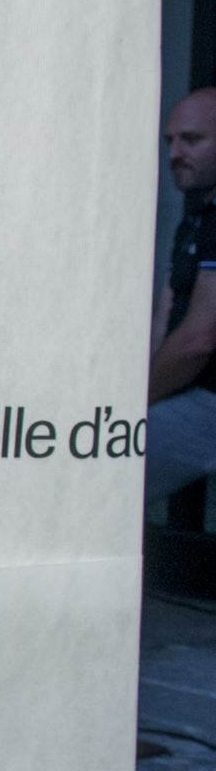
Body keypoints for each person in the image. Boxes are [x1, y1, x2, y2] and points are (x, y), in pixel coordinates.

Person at [146, 87, 216, 502]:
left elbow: (197, 342)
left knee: (95, 464)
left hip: (208, 399)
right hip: (189, 396)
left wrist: (131, 407)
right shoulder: (195, 220)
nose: (174, 154)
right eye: (169, 141)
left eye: (191, 140)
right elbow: (164, 323)